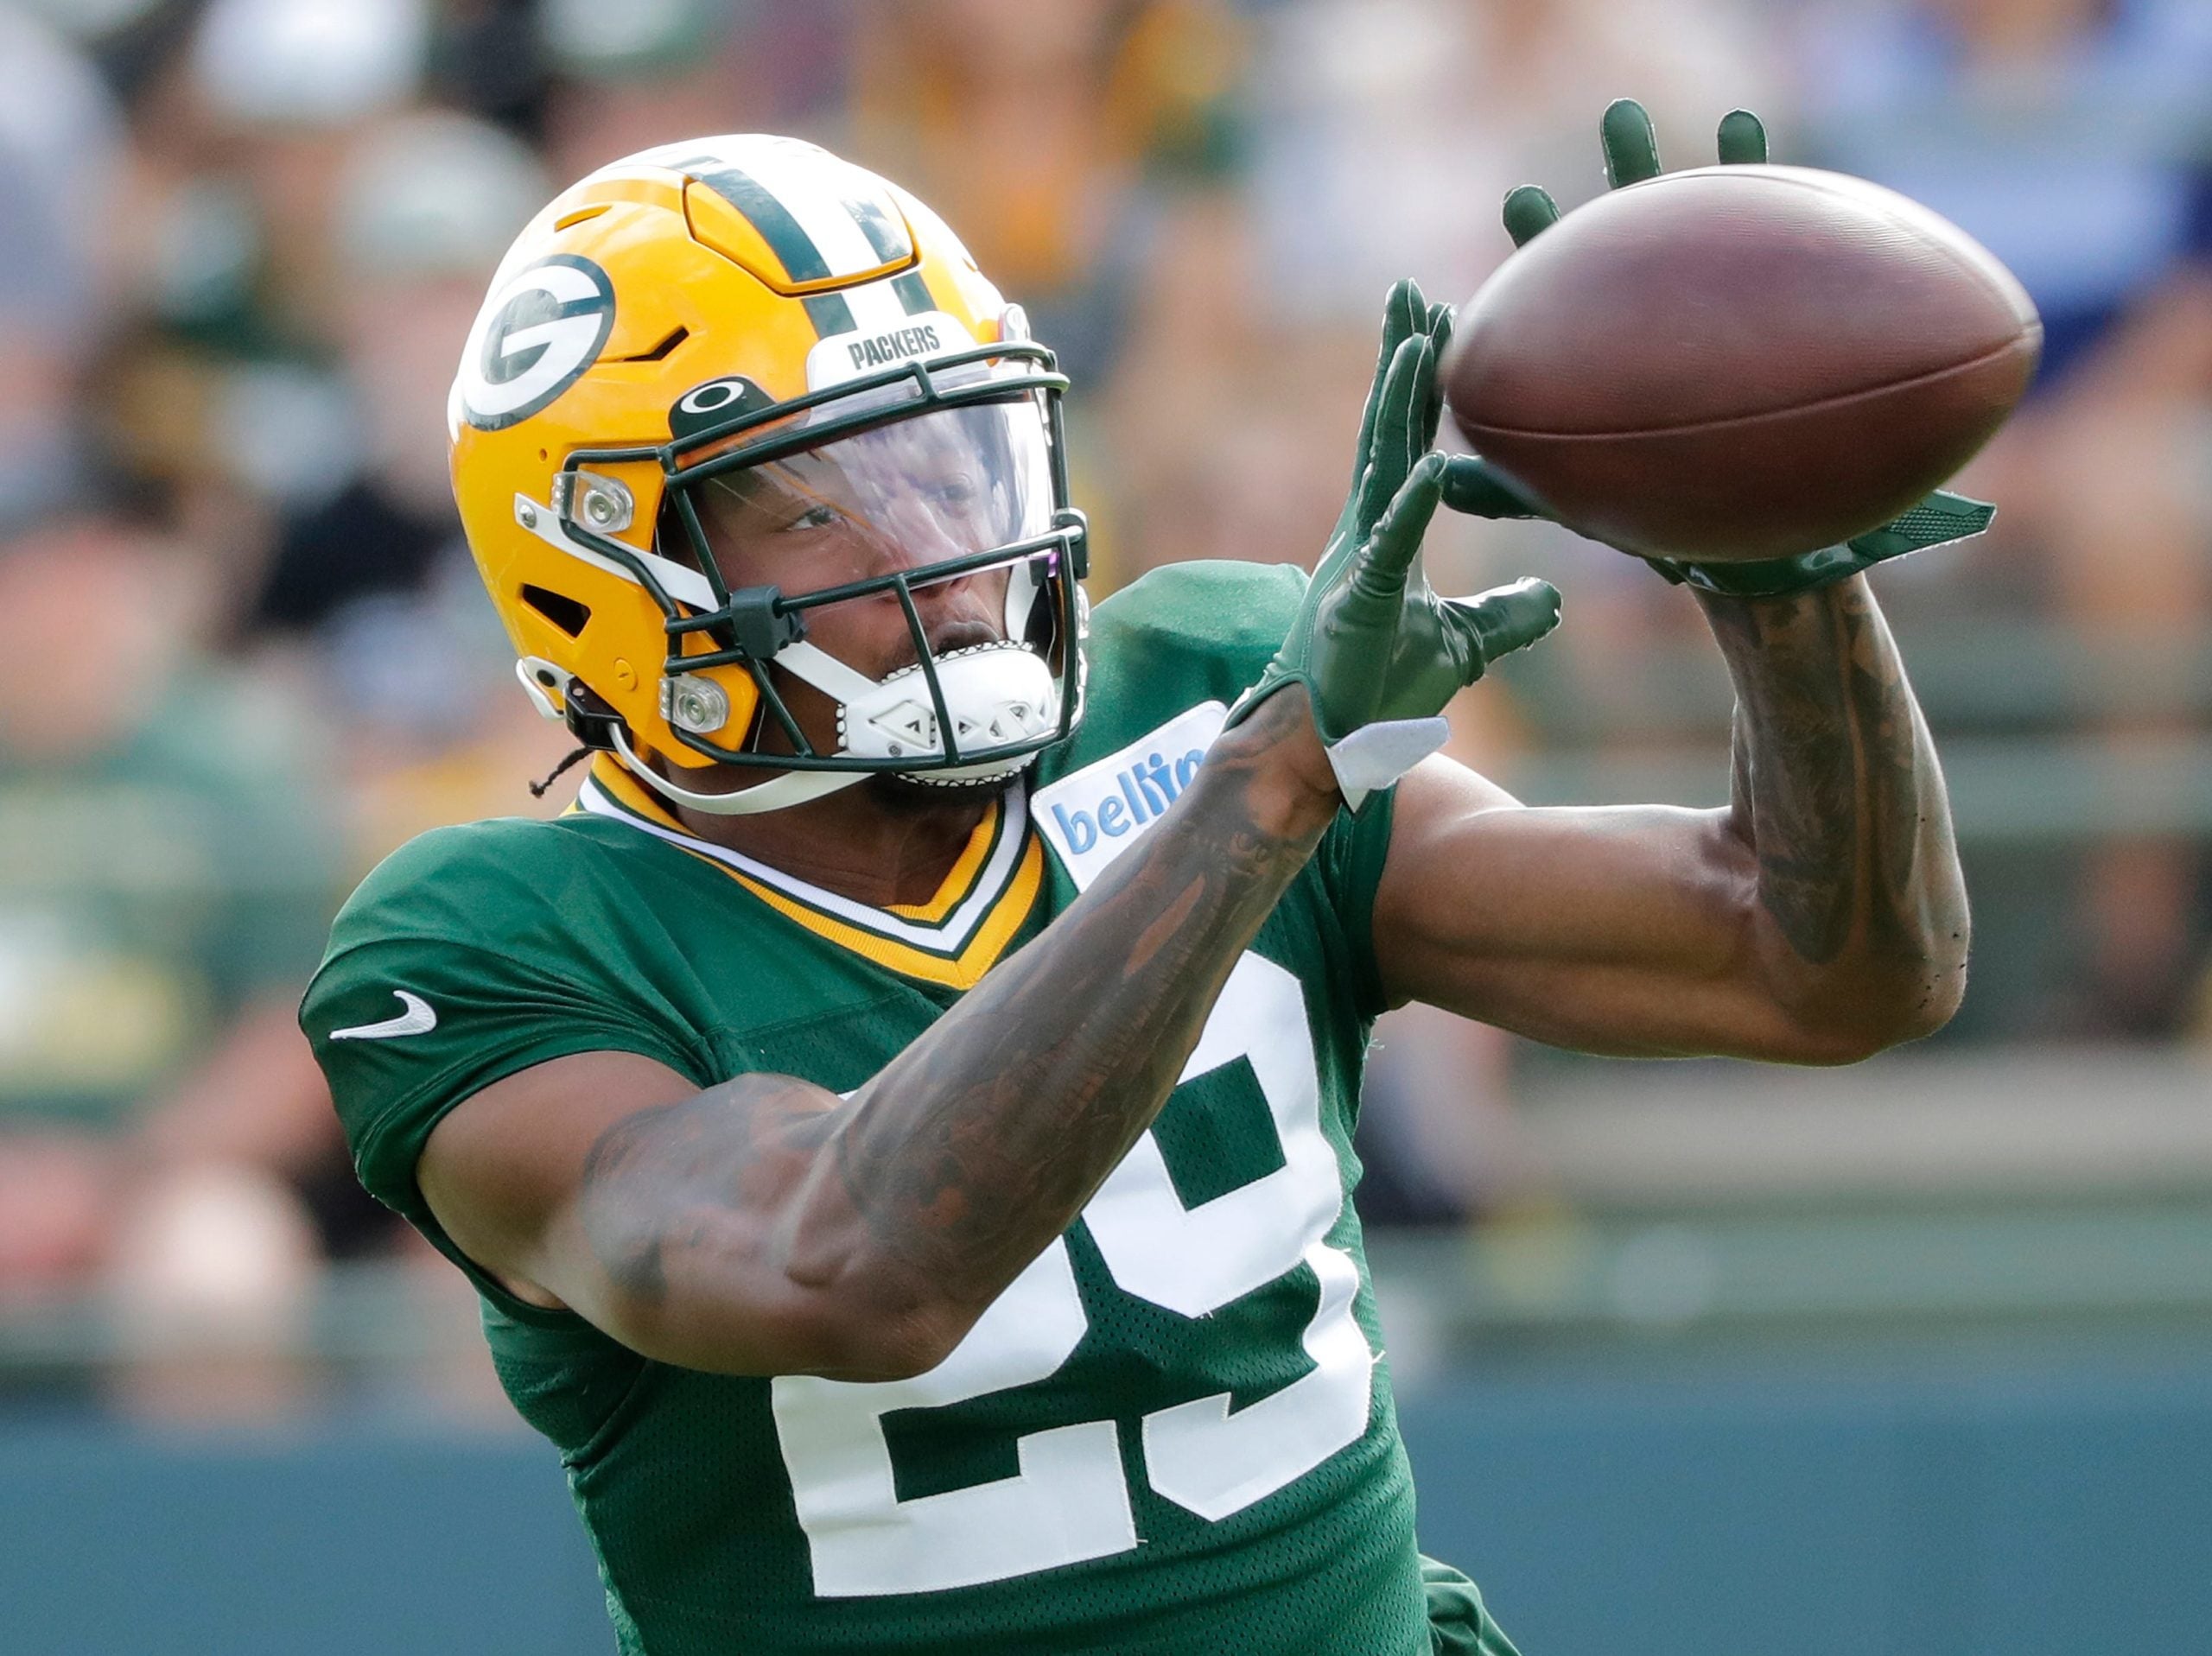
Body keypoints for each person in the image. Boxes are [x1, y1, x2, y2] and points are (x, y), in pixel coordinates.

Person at [303, 110, 1971, 1654]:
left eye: (956, 461)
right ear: (602, 567)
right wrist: (1265, 789)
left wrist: (1780, 569)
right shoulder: (493, 941)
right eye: (825, 508)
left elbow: (1821, 966)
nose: (948, 558)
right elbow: (851, 1261)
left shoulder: (1200, 682)